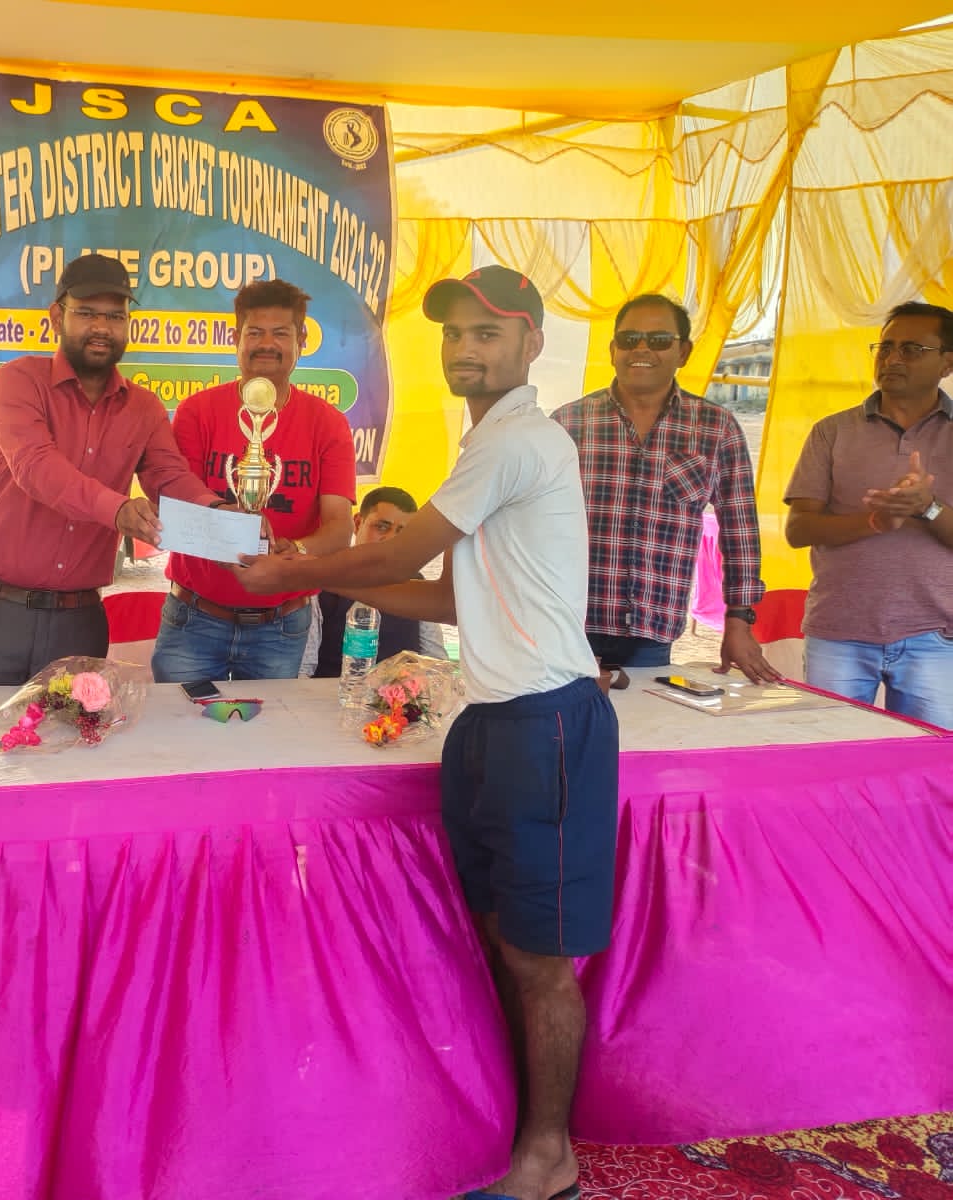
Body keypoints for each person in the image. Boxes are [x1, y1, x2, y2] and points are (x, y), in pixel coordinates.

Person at [235, 265, 615, 1200]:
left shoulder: (517, 438)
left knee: (537, 958)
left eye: (487, 333)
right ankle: (507, 1130)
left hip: (543, 722)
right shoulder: (486, 444)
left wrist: (294, 569)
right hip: (488, 719)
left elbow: (404, 551)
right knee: (497, 941)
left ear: (531, 344)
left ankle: (548, 1158)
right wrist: (315, 575)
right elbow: (449, 594)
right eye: (452, 333)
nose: (463, 349)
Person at [0, 253, 219, 684]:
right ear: (58, 317)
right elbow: (36, 467)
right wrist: (118, 510)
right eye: (87, 313)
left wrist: (221, 514)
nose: (102, 328)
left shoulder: (144, 407)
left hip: (78, 620)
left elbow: (170, 478)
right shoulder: (18, 381)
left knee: (75, 728)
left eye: (115, 316)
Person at [552, 294, 776, 681]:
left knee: (644, 719)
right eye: (630, 339)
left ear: (683, 352)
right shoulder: (567, 424)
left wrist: (738, 622)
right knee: (563, 721)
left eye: (658, 340)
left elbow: (740, 533)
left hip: (652, 635)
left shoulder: (715, 428)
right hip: (567, 626)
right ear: (613, 350)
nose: (641, 349)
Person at [151, 278, 356, 682]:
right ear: (236, 338)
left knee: (271, 725)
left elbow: (339, 526)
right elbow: (175, 503)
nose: (267, 344)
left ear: (301, 341)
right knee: (177, 721)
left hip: (281, 626)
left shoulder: (328, 422)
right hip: (194, 618)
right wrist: (228, 534)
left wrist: (293, 551)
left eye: (280, 333)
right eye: (255, 332)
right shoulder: (196, 412)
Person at [783, 300, 953, 728]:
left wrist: (927, 507)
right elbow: (798, 529)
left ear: (947, 363)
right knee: (833, 754)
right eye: (885, 346)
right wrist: (874, 522)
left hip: (937, 635)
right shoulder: (831, 431)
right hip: (838, 631)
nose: (892, 358)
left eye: (912, 349)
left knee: (927, 759)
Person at [305, 485, 447, 677]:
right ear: (357, 523)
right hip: (336, 691)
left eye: (402, 532)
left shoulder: (417, 584)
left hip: (401, 692)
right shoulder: (323, 582)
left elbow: (436, 661)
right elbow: (304, 668)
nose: (391, 538)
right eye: (381, 527)